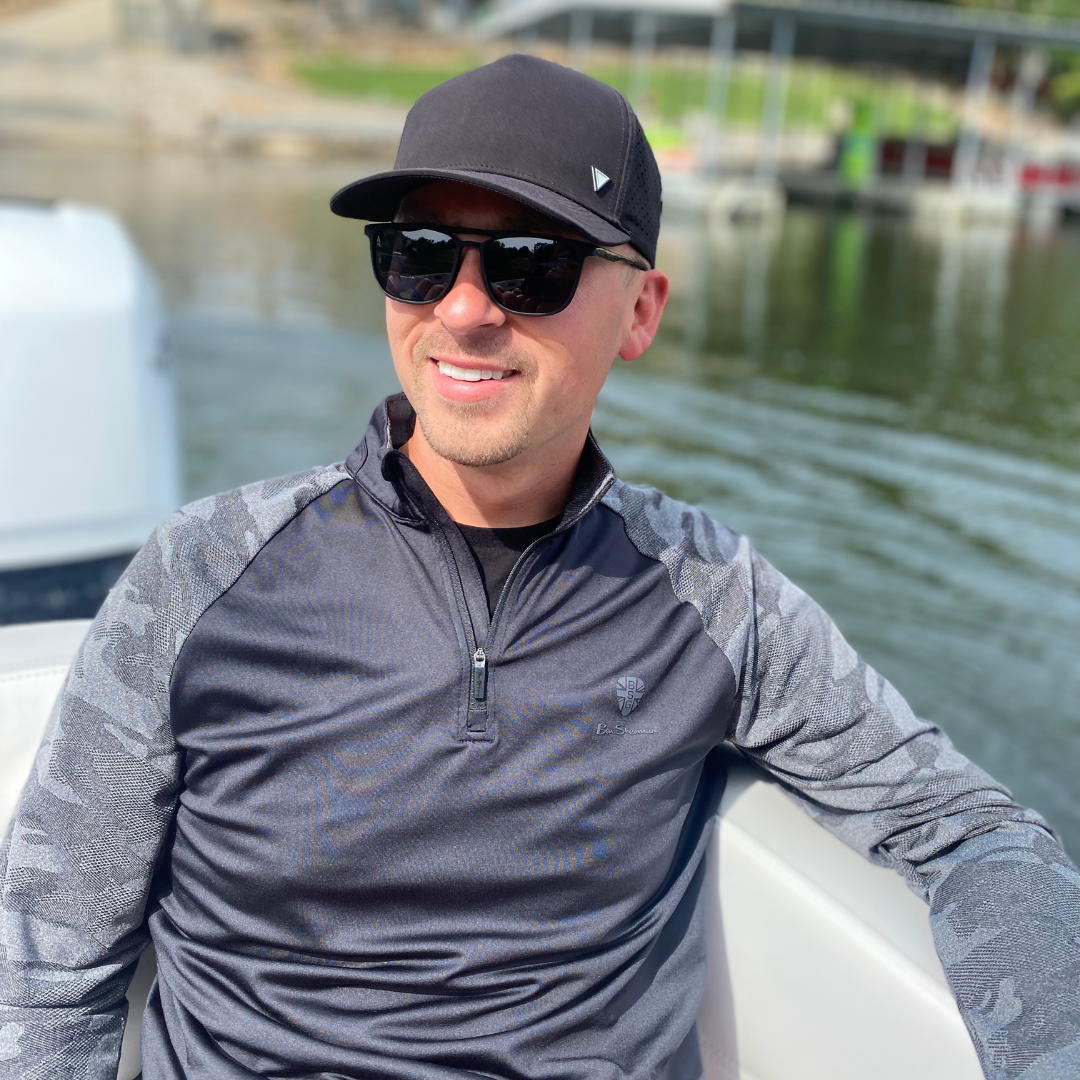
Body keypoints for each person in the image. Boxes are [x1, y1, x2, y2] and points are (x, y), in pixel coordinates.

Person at [1, 54, 1077, 1080]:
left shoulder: (716, 602)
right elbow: (49, 969)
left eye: (530, 264)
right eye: (419, 252)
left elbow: (969, 829)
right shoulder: (201, 573)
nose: (464, 309)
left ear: (641, 313)